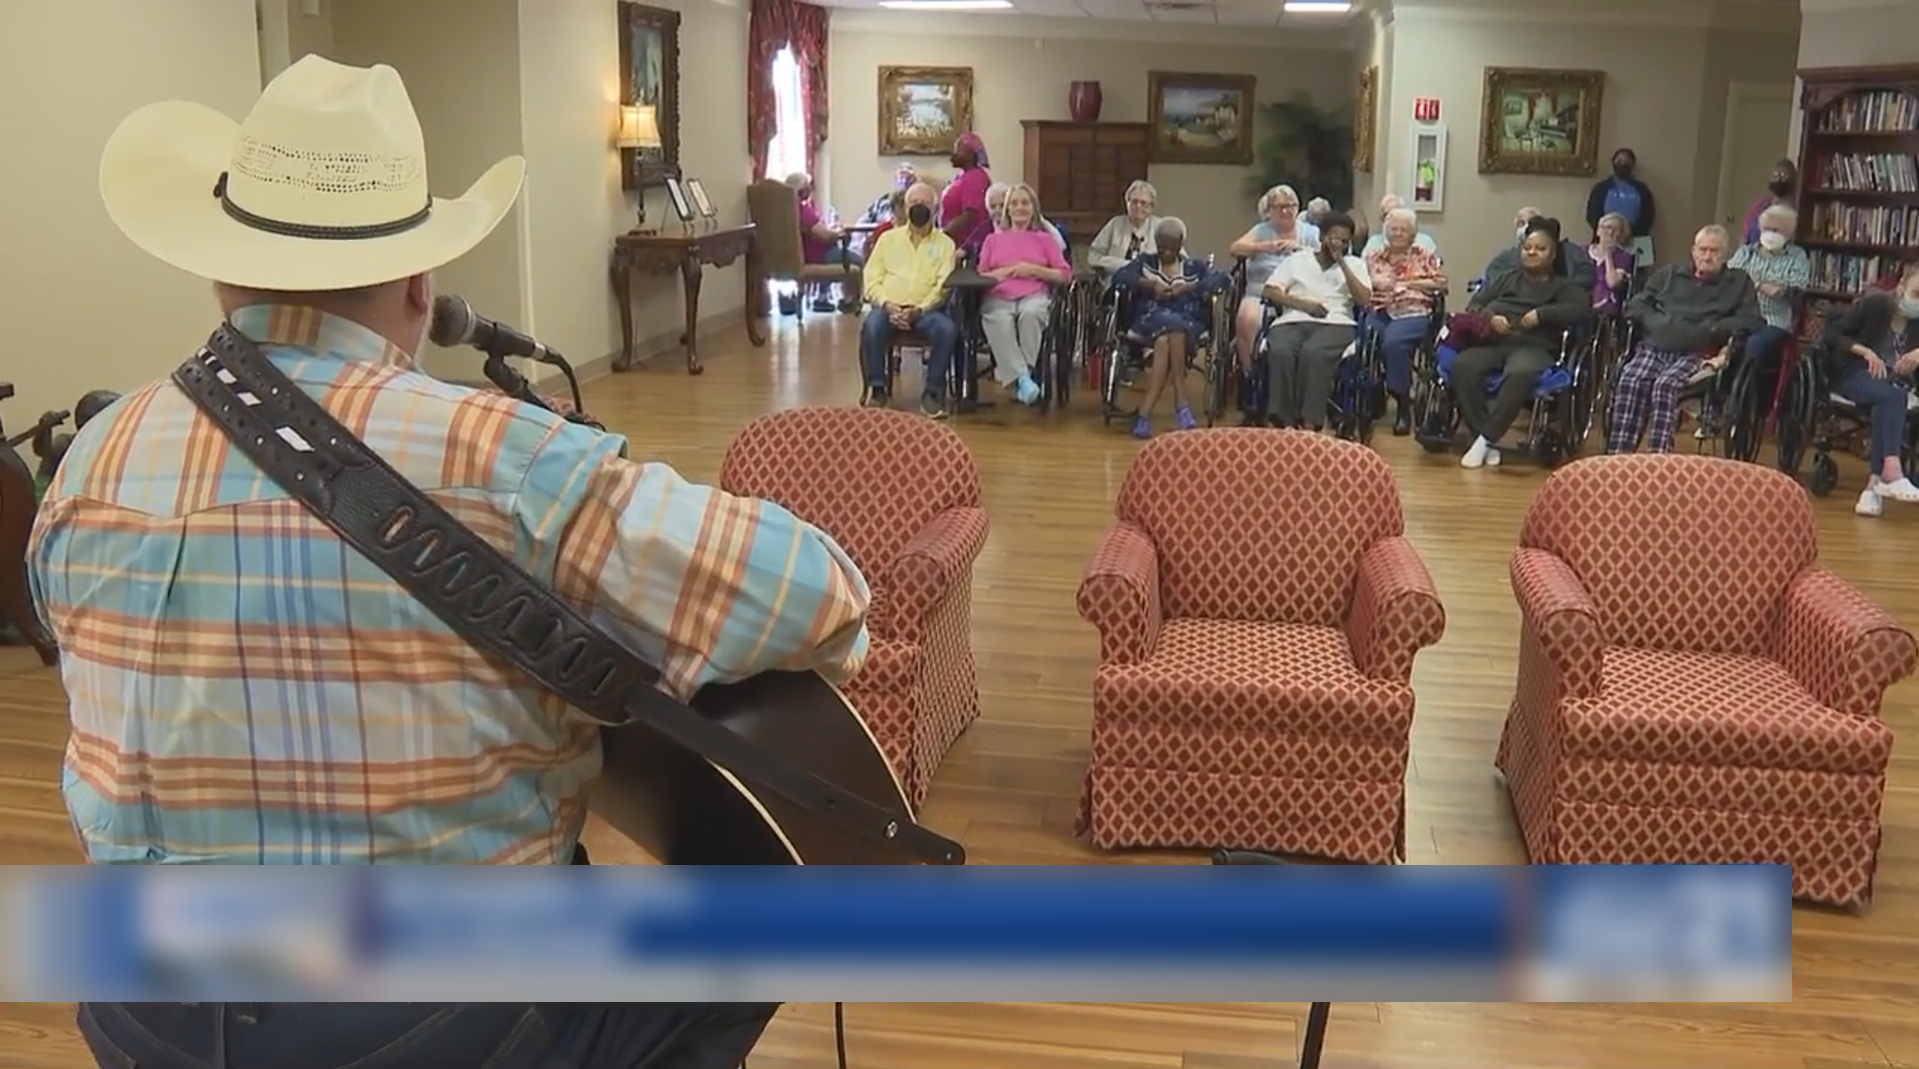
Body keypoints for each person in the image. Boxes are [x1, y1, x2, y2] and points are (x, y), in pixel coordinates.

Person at [39, 54, 825, 1069]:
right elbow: (814, 592)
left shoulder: (90, 457)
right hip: (427, 1021)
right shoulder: (506, 460)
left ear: (220, 267)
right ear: (421, 281)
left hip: (142, 1009)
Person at [1604, 225, 1764, 456]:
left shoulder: (1738, 282)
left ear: (1727, 255)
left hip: (1698, 351)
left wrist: (1713, 328)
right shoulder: (1669, 274)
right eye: (1703, 249)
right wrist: (1655, 322)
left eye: (1715, 251)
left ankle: (1659, 460)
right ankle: (1618, 458)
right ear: (1693, 251)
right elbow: (1636, 305)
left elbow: (1753, 321)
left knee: (1665, 385)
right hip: (1655, 345)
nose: (1707, 256)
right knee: (1630, 379)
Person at [1448, 221, 1591, 468]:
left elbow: (1580, 310)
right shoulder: (1506, 279)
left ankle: (1484, 441)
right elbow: (1474, 305)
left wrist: (1542, 315)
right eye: (1527, 247)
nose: (1532, 252)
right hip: (1496, 342)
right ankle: (1486, 440)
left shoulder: (1564, 287)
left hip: (1535, 347)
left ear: (1553, 254)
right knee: (1463, 365)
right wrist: (1491, 318)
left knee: (1520, 373)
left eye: (1540, 248)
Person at [1111, 217, 1229, 439]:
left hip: (1188, 320)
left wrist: (1188, 287)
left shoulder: (1195, 267)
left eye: (1171, 247)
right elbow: (1120, 277)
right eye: (1162, 246)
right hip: (1151, 317)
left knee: (1167, 339)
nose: (1166, 251)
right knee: (1173, 330)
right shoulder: (1145, 262)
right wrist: (1151, 284)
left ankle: (1145, 413)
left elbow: (1224, 280)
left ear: (1181, 243)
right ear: (1155, 241)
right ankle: (1181, 403)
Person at [1817, 263, 1919, 516]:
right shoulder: (1875, 305)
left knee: (1887, 401)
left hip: (1893, 384)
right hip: (1854, 374)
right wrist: (1862, 350)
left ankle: (1874, 486)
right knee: (1893, 397)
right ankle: (1891, 470)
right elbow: (1832, 335)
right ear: (1901, 287)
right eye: (1917, 294)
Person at [1260, 212, 1370, 430]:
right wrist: (1303, 305)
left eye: (1345, 241)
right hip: (1293, 319)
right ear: (1321, 237)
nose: (1339, 244)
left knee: (1314, 352)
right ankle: (1283, 421)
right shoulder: (1297, 260)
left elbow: (1364, 299)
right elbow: (1270, 290)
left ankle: (1309, 422)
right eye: (1334, 238)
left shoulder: (1355, 264)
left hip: (1337, 322)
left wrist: (1342, 262)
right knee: (1282, 350)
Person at [860, 181, 960, 416]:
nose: (919, 207)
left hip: (926, 312)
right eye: (914, 203)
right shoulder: (887, 240)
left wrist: (920, 309)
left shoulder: (946, 244)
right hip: (888, 307)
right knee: (872, 325)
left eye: (925, 203)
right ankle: (877, 388)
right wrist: (887, 304)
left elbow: (943, 286)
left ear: (935, 209)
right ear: (905, 208)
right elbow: (871, 278)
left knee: (947, 329)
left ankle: (932, 393)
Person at [978, 183, 1071, 406]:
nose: (1020, 207)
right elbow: (981, 275)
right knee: (998, 318)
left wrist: (1033, 270)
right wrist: (1007, 271)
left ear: (1033, 208)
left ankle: (1020, 378)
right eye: (1014, 203)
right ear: (1007, 209)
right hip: (999, 295)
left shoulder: (1046, 239)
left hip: (1034, 294)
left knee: (1031, 313)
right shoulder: (993, 240)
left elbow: (1065, 274)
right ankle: (1024, 379)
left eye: (1025, 203)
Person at [1364, 207, 1448, 434]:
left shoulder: (1424, 256)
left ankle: (1402, 405)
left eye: (1403, 230)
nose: (1398, 233)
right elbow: (1362, 283)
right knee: (1363, 339)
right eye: (1393, 229)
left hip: (1414, 311)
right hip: (1379, 310)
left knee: (1394, 344)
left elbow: (1440, 284)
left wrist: (1408, 284)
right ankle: (1368, 396)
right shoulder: (1374, 257)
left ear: (1413, 234)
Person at [1726, 204, 1811, 420]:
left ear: (1789, 234)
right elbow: (1731, 278)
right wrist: (1766, 286)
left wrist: (1758, 284)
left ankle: (1743, 405)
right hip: (1741, 315)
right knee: (1723, 338)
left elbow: (1794, 287)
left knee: (1755, 345)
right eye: (1769, 228)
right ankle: (1719, 397)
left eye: (1779, 230)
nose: (1772, 234)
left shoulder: (1797, 257)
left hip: (1773, 320)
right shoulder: (1746, 252)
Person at [1228, 184, 1321, 373]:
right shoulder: (1261, 230)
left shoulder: (1310, 233)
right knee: (1246, 318)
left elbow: (1327, 256)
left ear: (1297, 207)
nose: (1286, 211)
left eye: (1290, 205)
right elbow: (1235, 248)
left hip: (1300, 292)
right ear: (1270, 210)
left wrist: (1300, 248)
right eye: (1280, 207)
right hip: (1261, 292)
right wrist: (1266, 247)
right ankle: (1251, 371)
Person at [785, 171, 861, 312]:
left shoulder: (786, 211)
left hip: (803, 255)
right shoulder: (803, 210)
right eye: (808, 187)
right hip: (819, 256)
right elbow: (824, 236)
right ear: (801, 190)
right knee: (859, 261)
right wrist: (838, 232)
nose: (810, 190)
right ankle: (849, 301)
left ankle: (823, 297)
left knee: (842, 254)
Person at [1481, 206, 1596, 291]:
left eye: (1531, 222)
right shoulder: (1504, 259)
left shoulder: (1571, 252)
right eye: (1521, 223)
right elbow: (1493, 284)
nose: (1526, 227)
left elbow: (1587, 277)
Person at [1584, 147, 1657, 263]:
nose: (1622, 164)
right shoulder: (1601, 188)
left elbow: (1648, 216)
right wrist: (1607, 232)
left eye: (1626, 161)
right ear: (1613, 163)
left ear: (1632, 165)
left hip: (1634, 242)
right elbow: (1591, 214)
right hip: (1604, 241)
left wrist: (1628, 234)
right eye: (1619, 160)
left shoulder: (1642, 191)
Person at [1088, 180, 1163, 277]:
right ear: (1127, 203)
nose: (1138, 206)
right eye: (1134, 202)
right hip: (1116, 282)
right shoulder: (1115, 224)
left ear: (1151, 207)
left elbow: (1179, 259)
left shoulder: (1161, 227)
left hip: (1151, 285)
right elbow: (1093, 256)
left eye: (1143, 203)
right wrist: (1117, 264)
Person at [941, 132, 994, 251]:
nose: (953, 155)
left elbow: (970, 215)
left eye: (958, 151)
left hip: (966, 246)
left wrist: (942, 234)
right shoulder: (962, 177)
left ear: (970, 154)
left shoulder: (976, 178)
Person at [1360, 193, 1439, 257]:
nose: (1393, 219)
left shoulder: (1425, 242)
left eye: (1397, 213)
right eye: (1387, 215)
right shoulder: (1373, 243)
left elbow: (1437, 272)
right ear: (1382, 220)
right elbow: (1363, 271)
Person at [1742, 158, 1798, 246]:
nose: (1778, 180)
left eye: (1784, 177)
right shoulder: (1758, 206)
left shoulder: (1798, 209)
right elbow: (1745, 236)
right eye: (1775, 177)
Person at [1588, 212, 1636, 312]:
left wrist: (1608, 255)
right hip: (1582, 304)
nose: (1610, 233)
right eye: (1607, 228)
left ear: (1621, 235)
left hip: (1605, 310)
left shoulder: (1624, 257)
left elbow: (1612, 283)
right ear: (1598, 231)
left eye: (1615, 230)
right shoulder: (1581, 252)